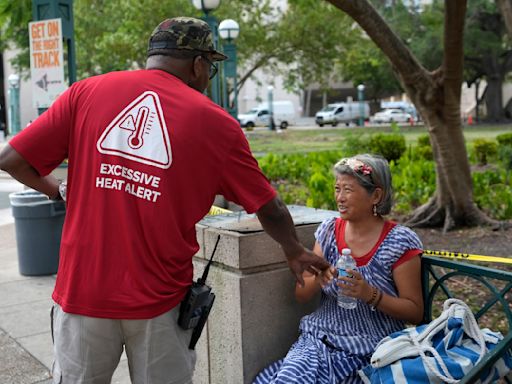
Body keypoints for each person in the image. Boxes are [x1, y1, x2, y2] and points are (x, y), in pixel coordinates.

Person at [0, 17, 331, 384]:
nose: (209, 77)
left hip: (83, 293)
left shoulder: (86, 92)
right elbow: (269, 207)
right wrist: (293, 250)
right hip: (160, 303)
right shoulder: (216, 124)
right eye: (211, 67)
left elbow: (11, 160)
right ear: (198, 63)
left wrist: (59, 190)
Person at [253, 154, 424, 384]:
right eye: (337, 189)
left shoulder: (399, 241)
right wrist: (319, 279)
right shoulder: (329, 232)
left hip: (371, 351)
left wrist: (369, 294)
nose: (339, 198)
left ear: (376, 195)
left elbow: (415, 312)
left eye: (348, 190)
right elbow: (301, 294)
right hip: (318, 341)